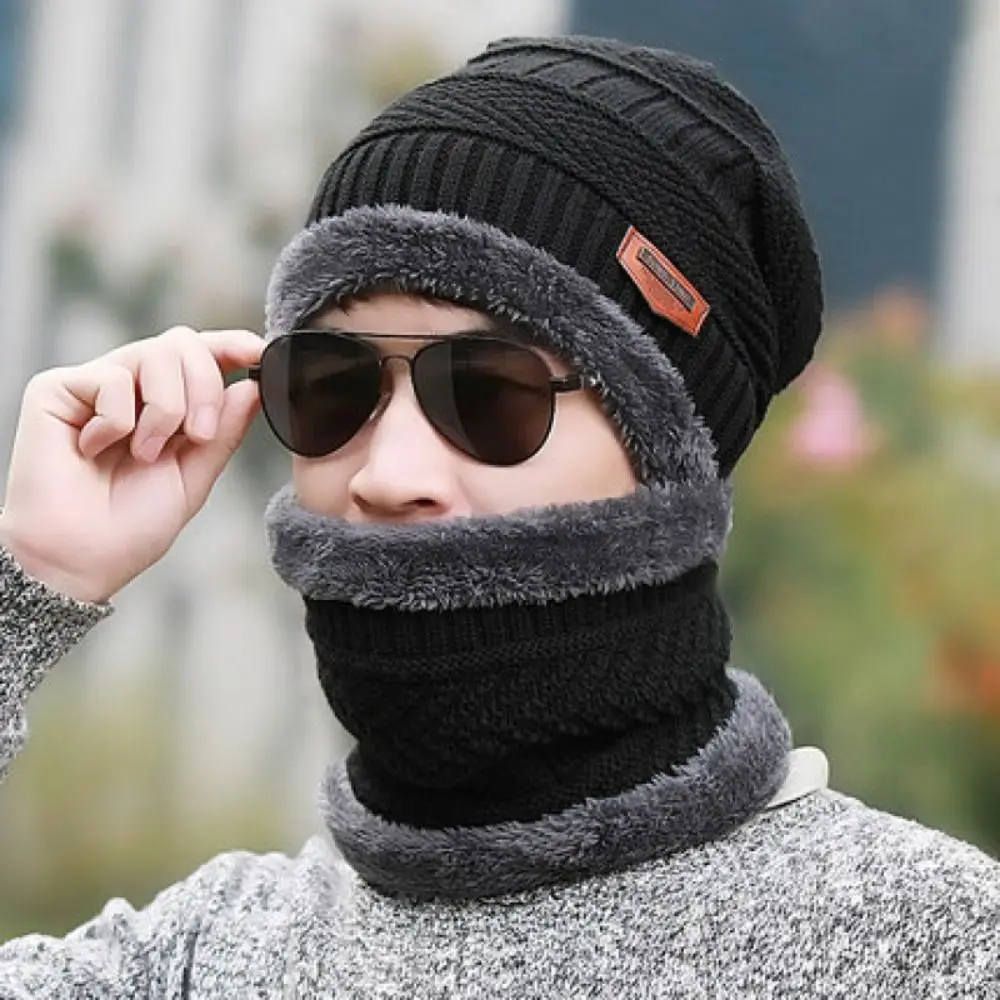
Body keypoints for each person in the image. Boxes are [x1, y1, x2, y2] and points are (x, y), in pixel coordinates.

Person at [0, 34, 996, 998]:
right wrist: (27, 589)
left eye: (487, 391)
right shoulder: (203, 959)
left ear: (671, 456)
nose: (386, 474)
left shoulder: (926, 946)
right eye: (331, 384)